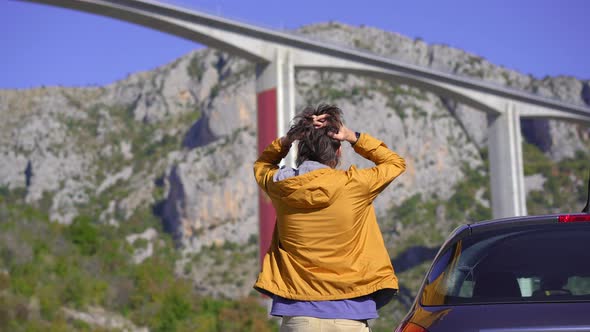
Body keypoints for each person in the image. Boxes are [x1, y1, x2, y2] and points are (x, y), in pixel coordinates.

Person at [253, 104, 406, 331]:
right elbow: (395, 163)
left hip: (298, 316)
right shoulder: (355, 185)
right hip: (350, 315)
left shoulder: (281, 185)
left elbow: (262, 165)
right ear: (338, 151)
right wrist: (352, 136)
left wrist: (287, 139)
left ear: (299, 150)